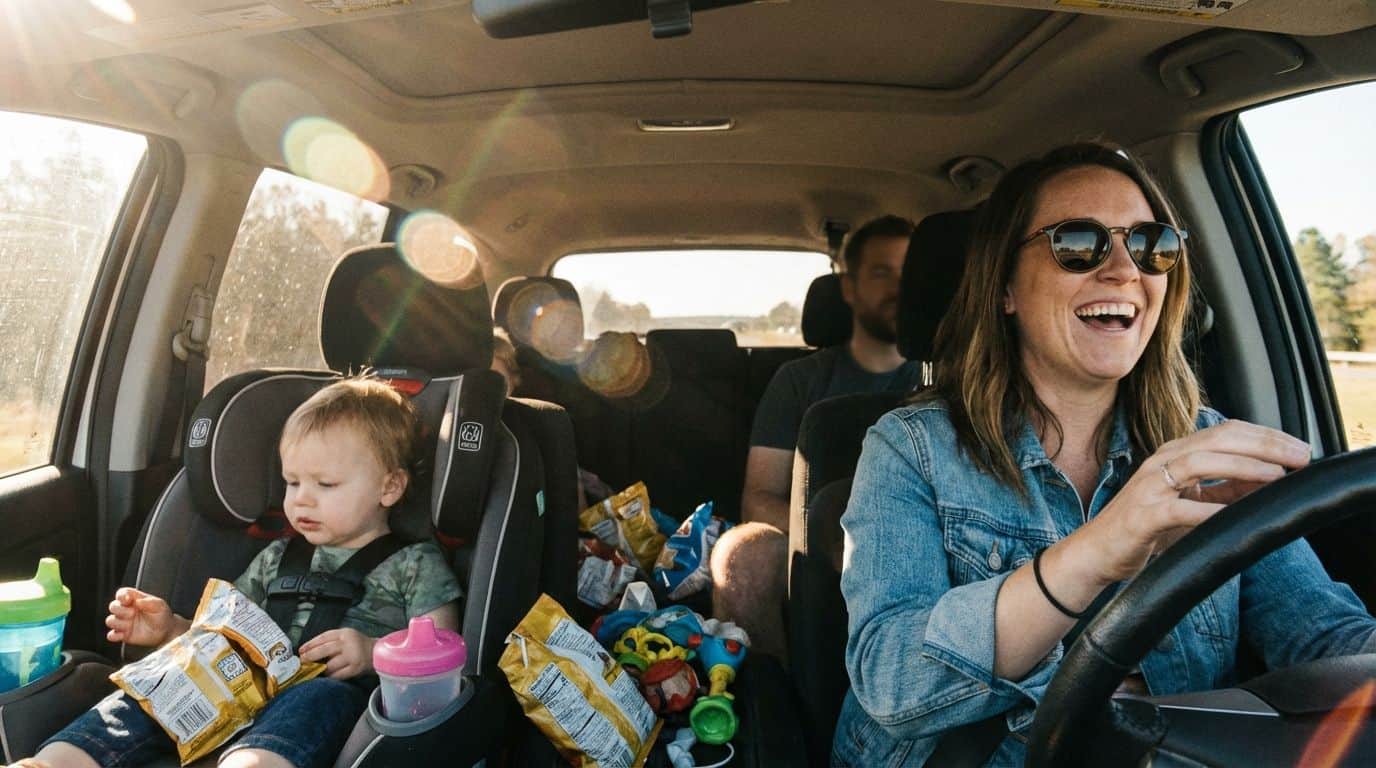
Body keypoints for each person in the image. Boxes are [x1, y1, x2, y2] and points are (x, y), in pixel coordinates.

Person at [832, 143, 1376, 766]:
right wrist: (1100, 548)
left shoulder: (1209, 448)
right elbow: (891, 684)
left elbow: (1325, 636)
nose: (1125, 270)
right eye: (1078, 243)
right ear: (1005, 285)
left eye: (1152, 246)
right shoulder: (912, 447)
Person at [30, 377, 462, 768]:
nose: (302, 501)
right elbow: (220, 635)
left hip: (335, 698)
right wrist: (171, 630)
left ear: (390, 486)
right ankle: (59, 761)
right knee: (164, 681)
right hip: (236, 686)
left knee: (318, 696)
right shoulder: (278, 556)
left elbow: (444, 650)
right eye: (292, 482)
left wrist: (371, 651)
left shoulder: (415, 562)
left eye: (325, 485)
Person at [711, 215, 925, 660]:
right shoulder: (799, 381)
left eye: (911, 274)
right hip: (819, 546)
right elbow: (760, 498)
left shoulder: (958, 377)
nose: (899, 287)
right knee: (740, 554)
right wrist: (838, 538)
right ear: (849, 289)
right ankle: (773, 709)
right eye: (882, 272)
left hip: (930, 543)